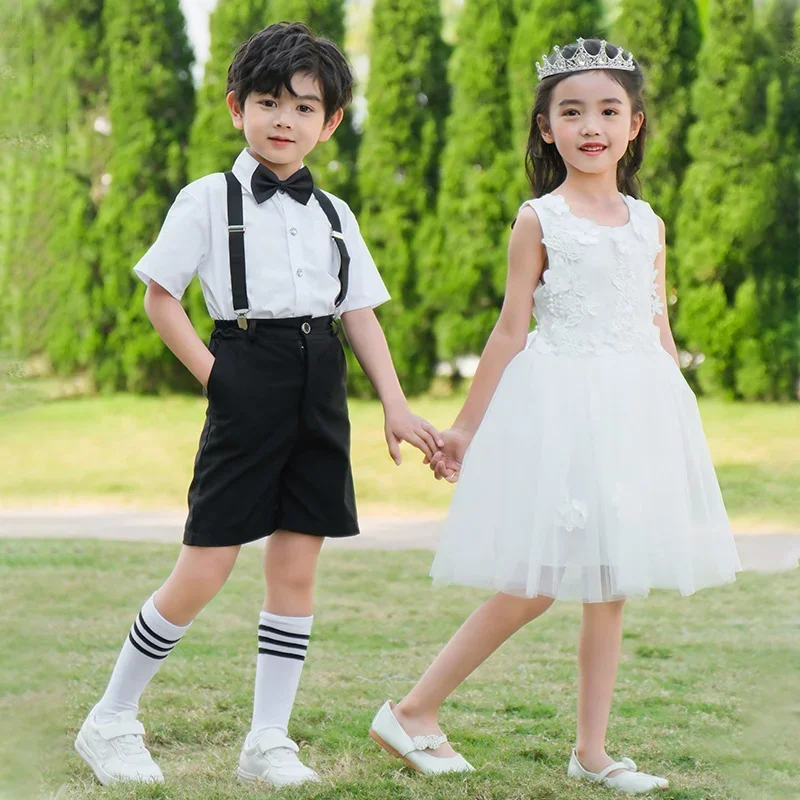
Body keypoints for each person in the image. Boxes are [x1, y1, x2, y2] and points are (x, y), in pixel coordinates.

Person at [369, 37, 741, 795]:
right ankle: (411, 711)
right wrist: (466, 427)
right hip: (563, 407)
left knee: (611, 583)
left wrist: (676, 419)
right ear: (547, 128)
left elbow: (656, 325)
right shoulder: (539, 219)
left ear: (634, 124)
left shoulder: (649, 222)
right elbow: (511, 330)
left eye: (608, 110)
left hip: (632, 412)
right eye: (571, 112)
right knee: (536, 581)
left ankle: (593, 752)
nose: (590, 125)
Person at [74, 22, 441, 789]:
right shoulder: (208, 198)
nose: (285, 119)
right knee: (206, 563)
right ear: (237, 106)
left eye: (305, 107)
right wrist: (218, 378)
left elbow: (359, 312)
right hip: (244, 367)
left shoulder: (335, 212)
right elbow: (160, 297)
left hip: (320, 381)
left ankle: (268, 740)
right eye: (269, 101)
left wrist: (395, 406)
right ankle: (109, 718)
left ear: (330, 122)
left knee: (297, 568)